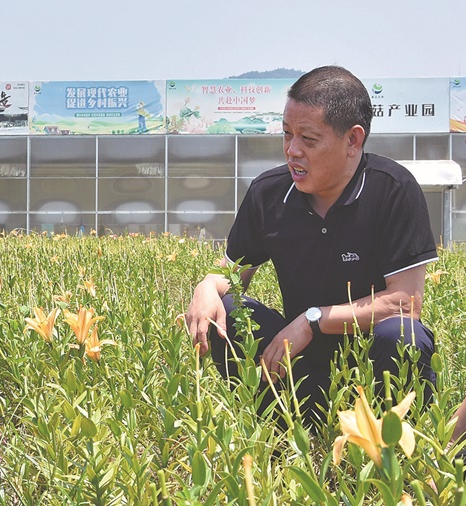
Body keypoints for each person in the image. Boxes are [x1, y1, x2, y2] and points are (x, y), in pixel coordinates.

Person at [186, 66, 437, 423]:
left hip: (370, 362)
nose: (292, 150)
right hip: (296, 363)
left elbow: (405, 303)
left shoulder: (392, 189)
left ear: (353, 140)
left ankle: (392, 448)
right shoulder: (268, 193)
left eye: (308, 139)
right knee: (228, 312)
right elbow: (232, 276)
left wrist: (312, 320)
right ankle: (278, 438)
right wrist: (208, 285)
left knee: (402, 334)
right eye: (287, 135)